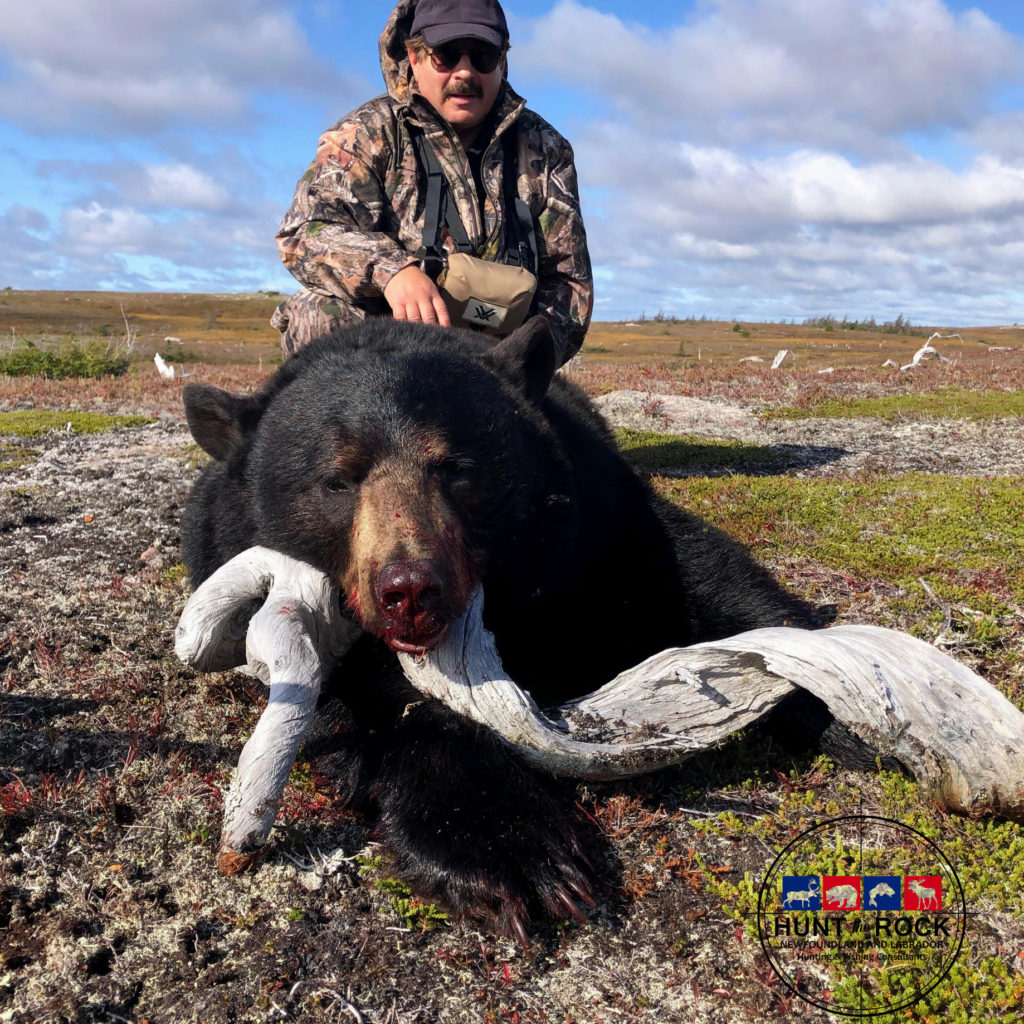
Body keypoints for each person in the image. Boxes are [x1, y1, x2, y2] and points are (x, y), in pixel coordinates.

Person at [271, 0, 593, 365]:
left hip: (494, 360)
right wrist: (393, 272)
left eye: (483, 56)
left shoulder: (546, 148)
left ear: (503, 62)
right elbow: (304, 232)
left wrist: (517, 367)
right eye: (447, 55)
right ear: (415, 56)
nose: (464, 73)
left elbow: (569, 287)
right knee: (314, 313)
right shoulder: (366, 134)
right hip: (388, 351)